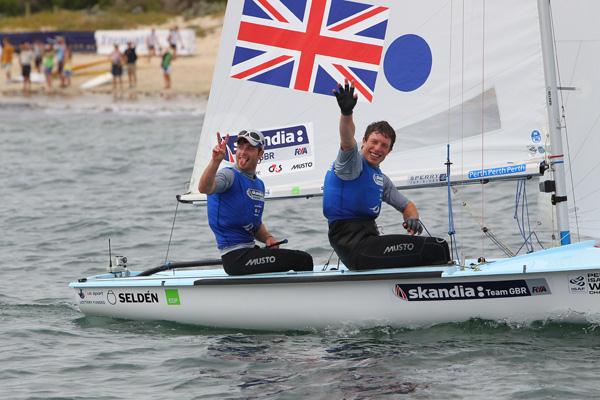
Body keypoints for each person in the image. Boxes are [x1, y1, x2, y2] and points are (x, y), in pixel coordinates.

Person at [322, 81, 450, 270]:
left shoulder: (381, 179)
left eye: (384, 145)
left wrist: (411, 218)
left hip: (370, 242)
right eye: (374, 142)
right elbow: (347, 140)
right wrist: (346, 113)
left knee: (436, 247)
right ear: (364, 141)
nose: (377, 148)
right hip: (353, 247)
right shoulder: (350, 164)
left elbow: (407, 205)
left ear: (389, 151)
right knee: (436, 248)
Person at [199, 129, 314, 275]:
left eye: (250, 148)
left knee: (298, 258)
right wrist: (216, 161)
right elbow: (204, 188)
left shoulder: (259, 184)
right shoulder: (228, 175)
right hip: (235, 258)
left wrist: (267, 237)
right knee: (302, 260)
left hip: (250, 251)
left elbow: (255, 225)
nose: (243, 152)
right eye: (240, 147)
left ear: (260, 153)